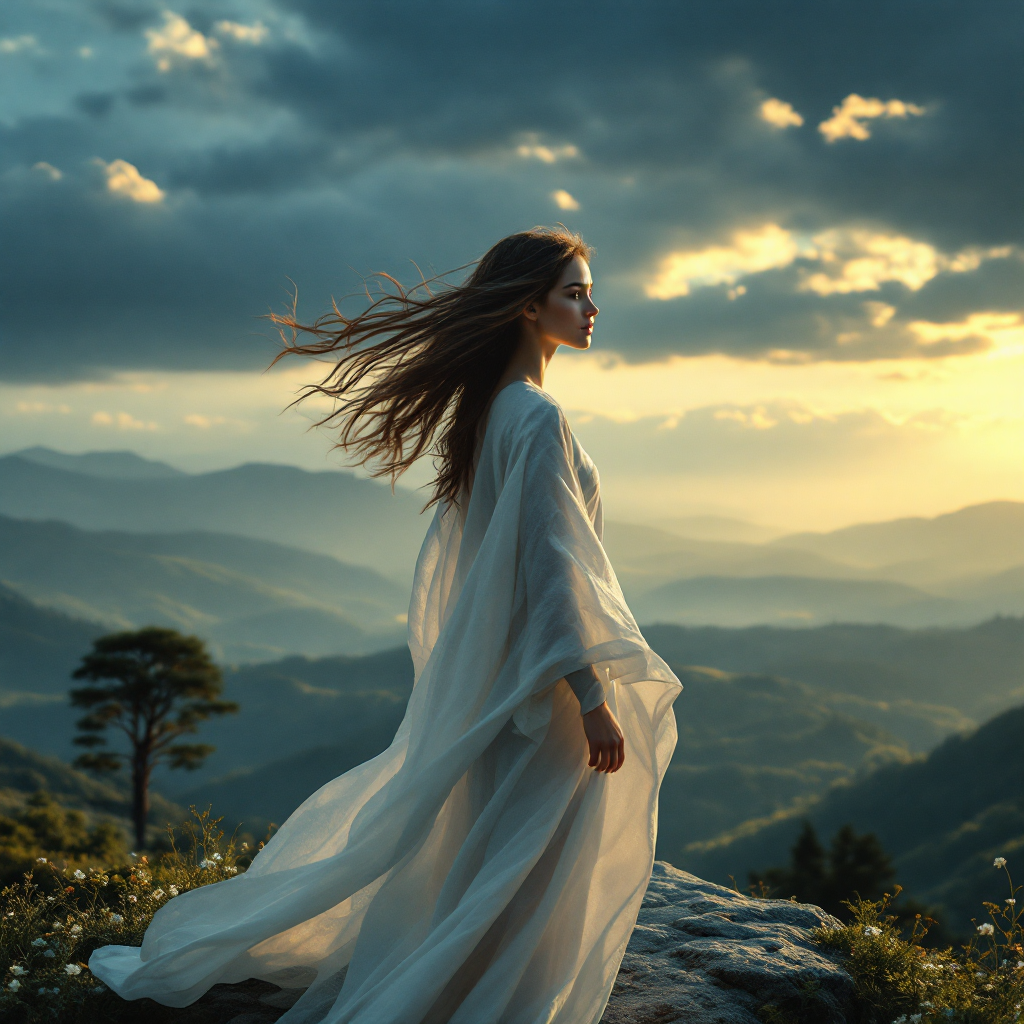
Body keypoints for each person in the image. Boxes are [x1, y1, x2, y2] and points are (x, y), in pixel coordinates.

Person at [90, 227, 682, 1024]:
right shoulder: (534, 417)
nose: (591, 306)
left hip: (507, 678)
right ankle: (486, 993)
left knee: (493, 852)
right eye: (575, 291)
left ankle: (468, 980)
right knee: (520, 860)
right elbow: (550, 569)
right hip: (547, 684)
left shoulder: (494, 412)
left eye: (586, 290)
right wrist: (590, 693)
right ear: (527, 305)